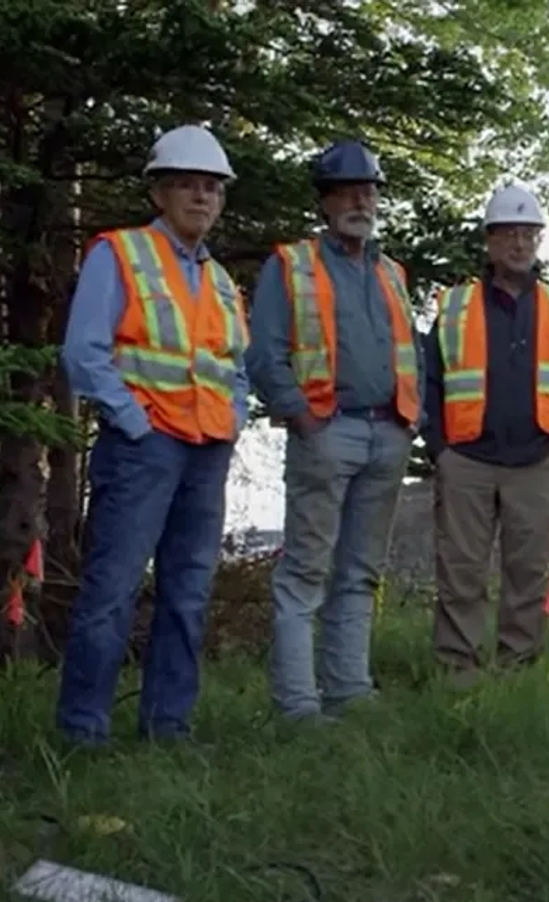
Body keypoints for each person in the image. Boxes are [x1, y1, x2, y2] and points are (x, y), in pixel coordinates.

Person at [54, 125, 250, 747]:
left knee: (188, 596)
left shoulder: (219, 279)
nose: (202, 198)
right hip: (144, 449)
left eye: (212, 188)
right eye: (188, 186)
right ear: (159, 193)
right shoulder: (121, 253)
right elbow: (83, 353)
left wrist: (235, 419)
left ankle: (168, 729)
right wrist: (134, 423)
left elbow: (235, 364)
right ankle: (83, 733)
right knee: (111, 592)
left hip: (207, 451)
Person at [243, 139, 420, 724]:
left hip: (386, 434)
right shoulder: (290, 265)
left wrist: (410, 419)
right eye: (348, 192)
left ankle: (350, 692)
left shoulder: (391, 272)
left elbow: (410, 350)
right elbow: (264, 352)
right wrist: (299, 413)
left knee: (360, 572)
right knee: (305, 573)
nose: (361, 202)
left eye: (368, 191)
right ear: (324, 203)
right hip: (326, 432)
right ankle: (298, 707)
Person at [418, 184, 549, 685]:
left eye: (528, 234)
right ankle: (460, 674)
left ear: (539, 240)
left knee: (529, 575)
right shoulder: (455, 308)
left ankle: (518, 673)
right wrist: (439, 449)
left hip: (535, 461)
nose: (519, 244)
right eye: (508, 234)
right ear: (490, 242)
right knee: (461, 572)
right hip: (467, 460)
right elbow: (429, 378)